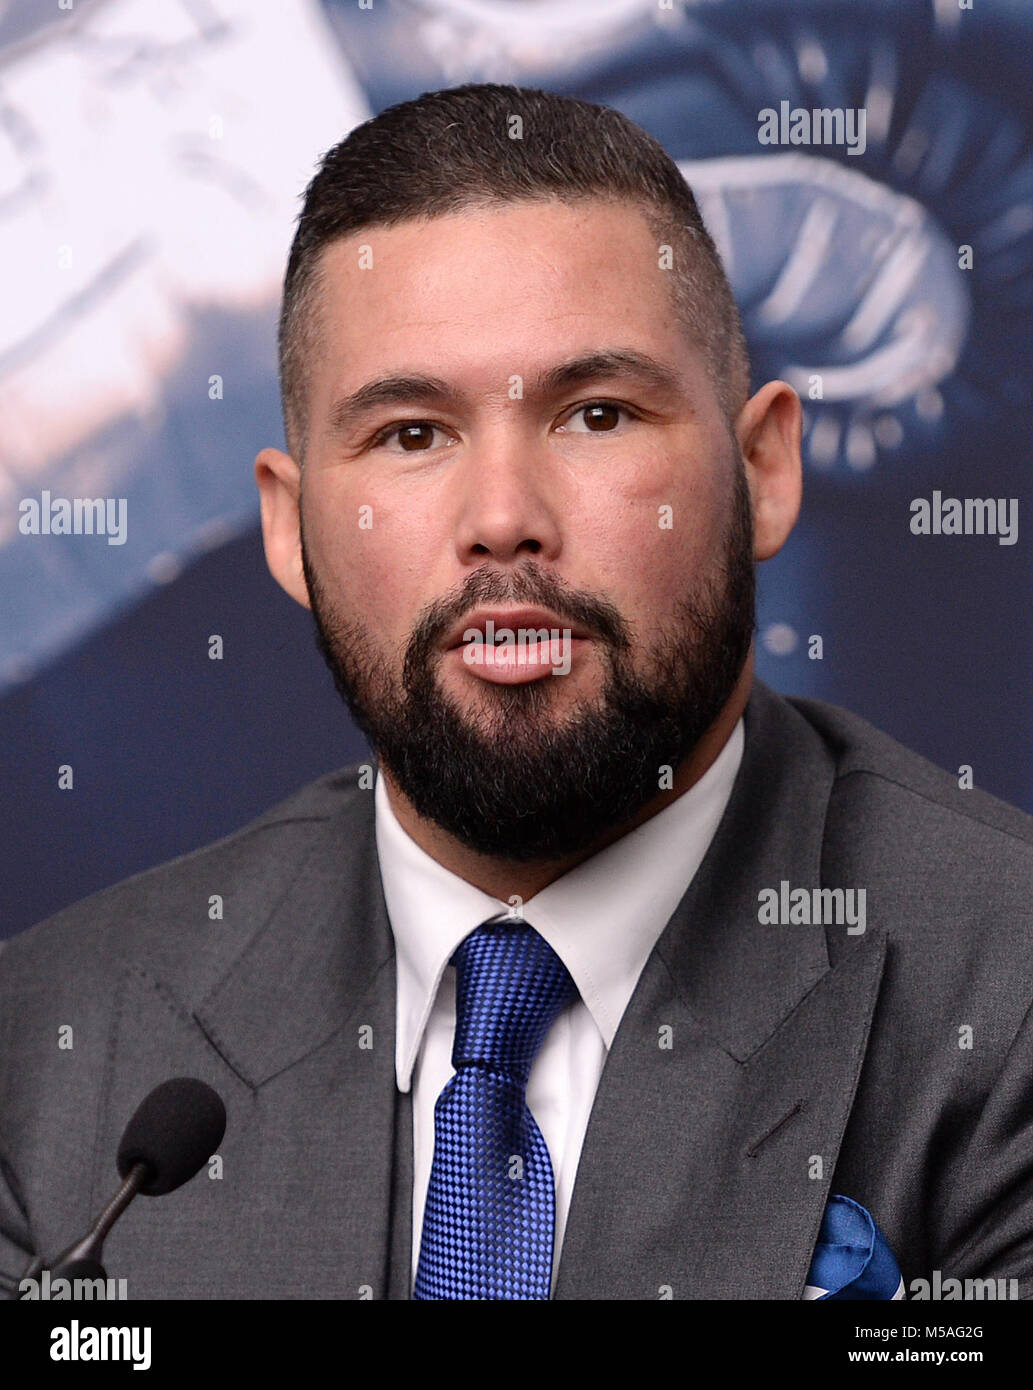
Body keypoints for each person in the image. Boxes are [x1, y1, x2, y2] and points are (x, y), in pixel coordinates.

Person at [2, 83, 1032, 1302]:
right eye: (410, 434)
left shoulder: (1003, 1006)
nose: (502, 522)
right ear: (290, 531)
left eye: (595, 414)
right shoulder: (46, 1053)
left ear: (762, 471)